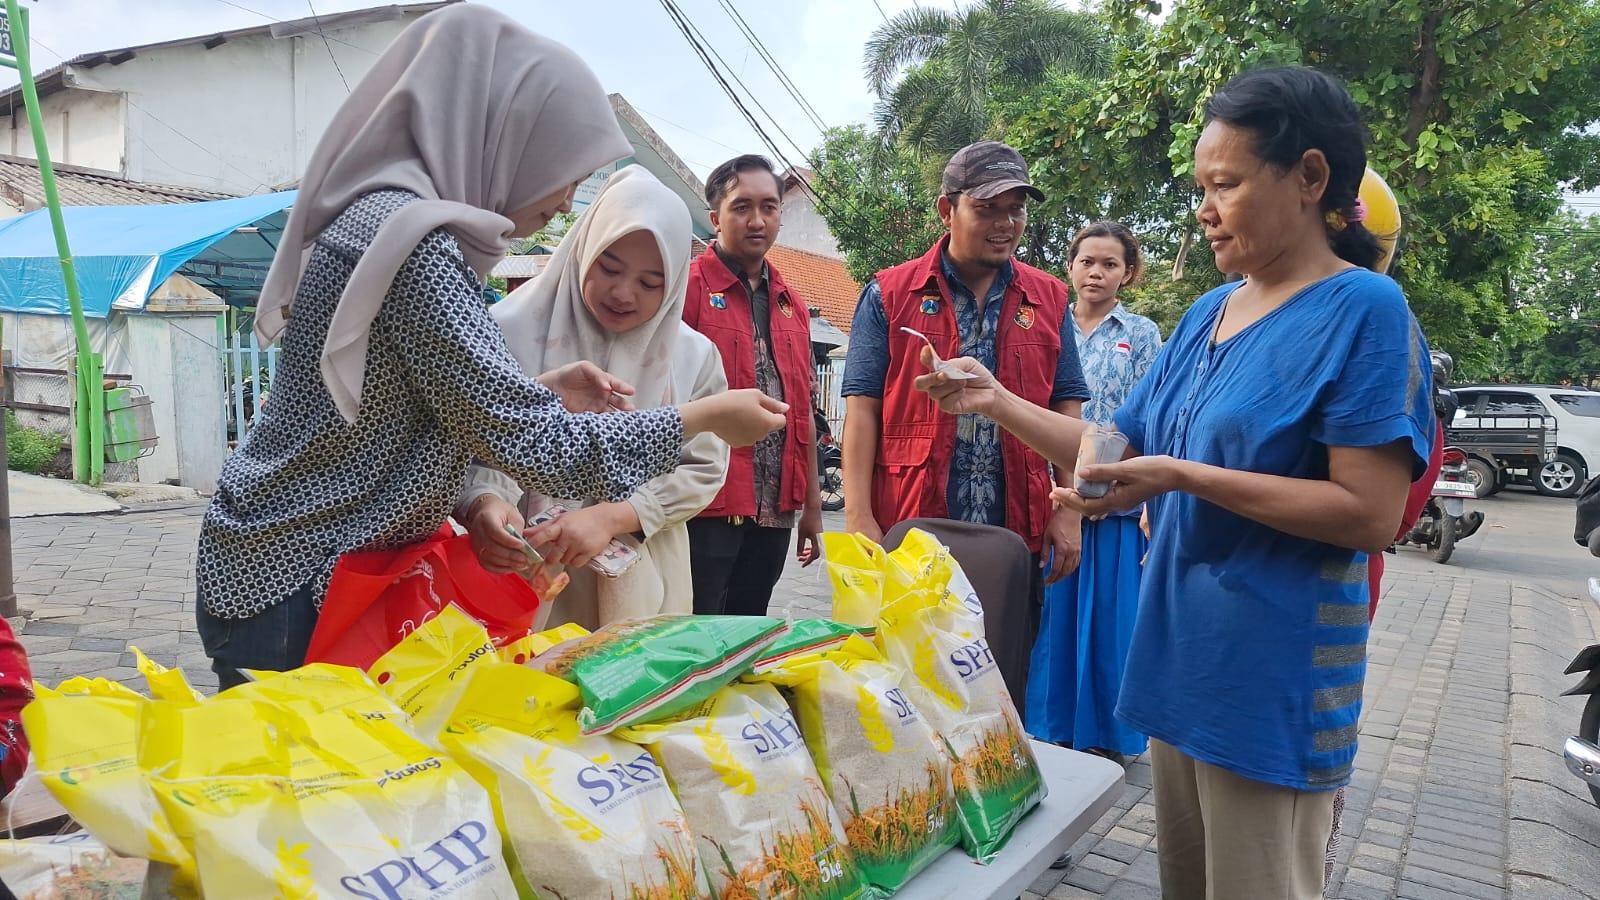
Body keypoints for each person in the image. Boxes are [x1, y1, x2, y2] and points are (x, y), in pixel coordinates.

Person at [915, 67, 1433, 898]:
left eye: (1224, 185)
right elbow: (1114, 445)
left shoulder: (1365, 310)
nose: (1204, 208)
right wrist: (995, 399)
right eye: (1201, 186)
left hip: (1271, 679)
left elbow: (1369, 514)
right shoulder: (1209, 313)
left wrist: (1181, 477)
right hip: (1179, 660)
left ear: (1308, 178)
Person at [195, 6, 784, 689]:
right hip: (296, 577)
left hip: (303, 565)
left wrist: (545, 393)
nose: (565, 203)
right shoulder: (415, 250)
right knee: (306, 783)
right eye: (564, 171)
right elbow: (544, 449)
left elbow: (434, 402)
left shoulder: (393, 224)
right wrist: (706, 418)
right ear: (507, 137)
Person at [457, 165, 729, 630]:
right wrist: (484, 502)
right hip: (519, 569)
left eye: (651, 283)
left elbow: (705, 467)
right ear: (585, 246)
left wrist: (615, 516)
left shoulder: (693, 357)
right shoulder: (503, 330)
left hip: (642, 580)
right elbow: (465, 438)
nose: (624, 293)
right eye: (609, 267)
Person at [841, 140, 1090, 603]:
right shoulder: (889, 295)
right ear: (946, 210)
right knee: (910, 665)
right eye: (987, 209)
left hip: (1018, 527)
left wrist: (1069, 507)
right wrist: (858, 518)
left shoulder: (1050, 299)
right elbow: (862, 411)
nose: (1005, 224)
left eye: (1015, 210)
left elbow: (1065, 403)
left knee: (1008, 663)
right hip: (913, 519)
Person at [1026, 222, 1161, 766]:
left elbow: (1154, 415)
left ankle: (1111, 732)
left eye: (1109, 264)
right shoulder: (1045, 327)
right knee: (1053, 617)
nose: (1096, 273)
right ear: (1071, 267)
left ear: (1126, 274)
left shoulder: (1144, 333)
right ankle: (1049, 723)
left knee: (1112, 620)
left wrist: (1150, 496)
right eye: (1087, 262)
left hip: (1118, 499)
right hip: (1055, 495)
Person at [682, 155, 824, 616]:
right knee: (693, 627)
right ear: (715, 218)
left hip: (774, 509)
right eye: (742, 206)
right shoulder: (687, 288)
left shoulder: (792, 303)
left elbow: (800, 410)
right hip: (703, 503)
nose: (757, 220)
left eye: (769, 206)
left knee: (748, 628)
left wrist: (812, 510)